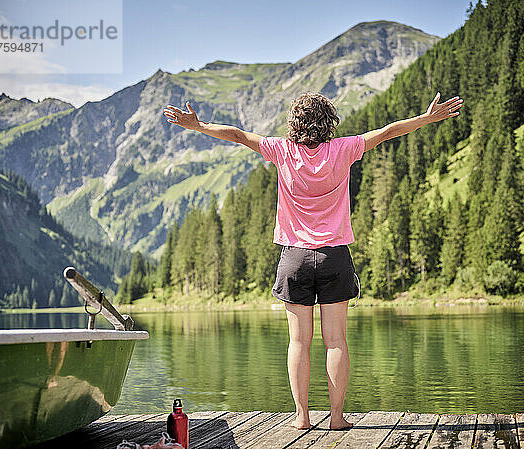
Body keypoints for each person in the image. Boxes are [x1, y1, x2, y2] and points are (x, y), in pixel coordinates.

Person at [163, 91, 463, 430]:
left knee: (298, 342)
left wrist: (198, 125)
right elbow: (388, 131)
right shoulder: (345, 148)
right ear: (328, 123)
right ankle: (336, 419)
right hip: (335, 256)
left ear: (296, 124)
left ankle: (302, 417)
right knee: (335, 341)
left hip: (295, 258)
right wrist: (427, 118)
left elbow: (236, 134)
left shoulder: (282, 150)